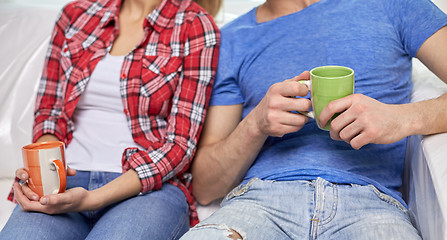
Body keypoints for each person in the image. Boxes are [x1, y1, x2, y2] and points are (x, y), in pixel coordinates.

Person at [180, 0, 447, 239]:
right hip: (259, 202)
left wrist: (402, 119)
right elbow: (205, 187)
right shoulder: (229, 40)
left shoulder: (397, 5)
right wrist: (255, 124)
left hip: (372, 204)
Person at [0, 0, 220, 239]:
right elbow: (49, 111)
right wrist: (43, 174)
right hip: (68, 180)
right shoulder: (75, 15)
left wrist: (92, 198)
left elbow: (180, 145)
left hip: (146, 188)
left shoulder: (196, 26)